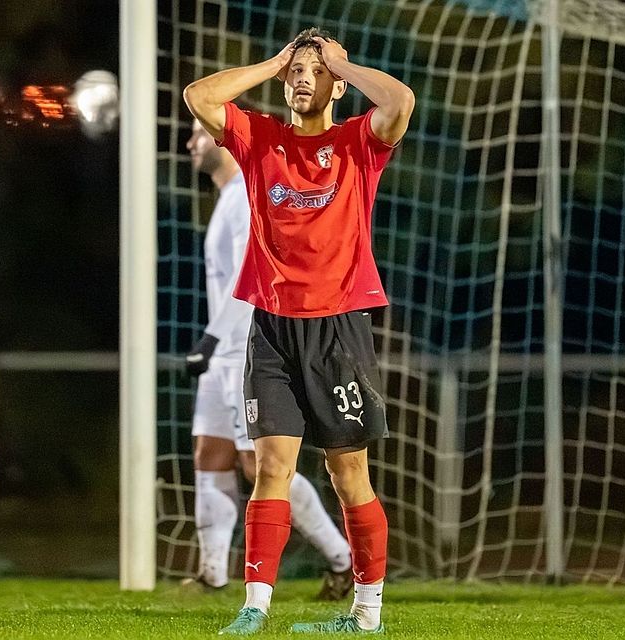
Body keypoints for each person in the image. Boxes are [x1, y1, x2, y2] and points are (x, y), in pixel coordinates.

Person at [184, 26, 415, 635]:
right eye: (297, 72)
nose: (302, 78)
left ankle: (366, 616)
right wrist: (278, 62)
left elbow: (399, 104)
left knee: (349, 474)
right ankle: (255, 609)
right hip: (272, 332)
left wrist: (341, 62)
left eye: (315, 71)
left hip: (338, 329)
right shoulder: (261, 139)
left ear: (337, 84)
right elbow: (200, 97)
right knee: (269, 468)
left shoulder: (356, 143)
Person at [183, 114, 355, 601]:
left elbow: (250, 279)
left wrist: (213, 342)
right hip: (222, 351)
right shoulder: (226, 197)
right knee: (209, 454)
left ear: (221, 140)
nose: (190, 141)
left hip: (242, 349)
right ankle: (212, 573)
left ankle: (342, 560)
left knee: (258, 466)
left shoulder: (246, 197)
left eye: (198, 133)